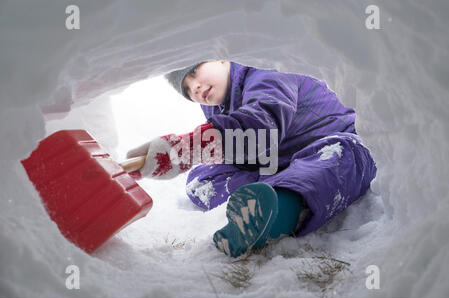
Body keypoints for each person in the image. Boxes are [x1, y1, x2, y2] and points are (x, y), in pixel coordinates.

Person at [126, 60, 377, 258]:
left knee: (340, 156)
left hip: (333, 138)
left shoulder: (266, 68)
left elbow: (260, 127)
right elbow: (242, 147)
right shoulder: (216, 105)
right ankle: (262, 195)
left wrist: (184, 149)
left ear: (222, 58)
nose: (196, 88)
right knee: (202, 180)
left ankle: (277, 211)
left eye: (194, 72)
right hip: (280, 157)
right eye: (187, 90)